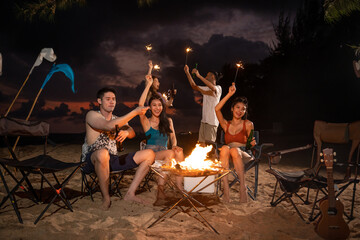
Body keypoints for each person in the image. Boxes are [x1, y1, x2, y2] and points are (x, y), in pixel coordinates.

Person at [81, 87, 155, 209]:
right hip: (91, 160)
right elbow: (109, 126)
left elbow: (132, 132)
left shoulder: (117, 119)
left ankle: (130, 193)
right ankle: (106, 198)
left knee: (149, 154)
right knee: (102, 154)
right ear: (99, 101)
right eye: (108, 99)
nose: (112, 102)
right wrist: (135, 112)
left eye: (114, 99)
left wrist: (126, 133)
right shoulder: (92, 115)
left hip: (112, 160)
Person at [139, 75, 184, 201]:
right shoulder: (146, 122)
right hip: (151, 154)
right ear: (150, 107)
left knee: (178, 152)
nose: (157, 108)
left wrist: (174, 145)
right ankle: (161, 190)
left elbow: (173, 137)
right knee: (170, 153)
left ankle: (179, 188)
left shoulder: (168, 121)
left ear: (163, 107)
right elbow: (140, 104)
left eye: (160, 105)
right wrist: (148, 85)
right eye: (154, 105)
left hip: (165, 153)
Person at [215, 83, 256, 203]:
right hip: (228, 156)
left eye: (243, 109)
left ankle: (243, 187)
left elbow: (249, 145)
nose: (240, 111)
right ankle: (226, 190)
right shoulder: (225, 125)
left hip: (244, 154)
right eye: (237, 107)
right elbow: (217, 109)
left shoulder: (248, 124)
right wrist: (229, 94)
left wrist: (251, 143)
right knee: (226, 149)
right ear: (232, 108)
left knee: (233, 149)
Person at [184, 65, 222, 143]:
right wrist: (187, 73)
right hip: (204, 121)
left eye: (207, 75)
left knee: (210, 146)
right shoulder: (206, 88)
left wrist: (199, 76)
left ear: (213, 77)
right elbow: (194, 86)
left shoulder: (218, 88)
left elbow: (213, 88)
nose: (205, 77)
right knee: (201, 145)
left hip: (212, 122)